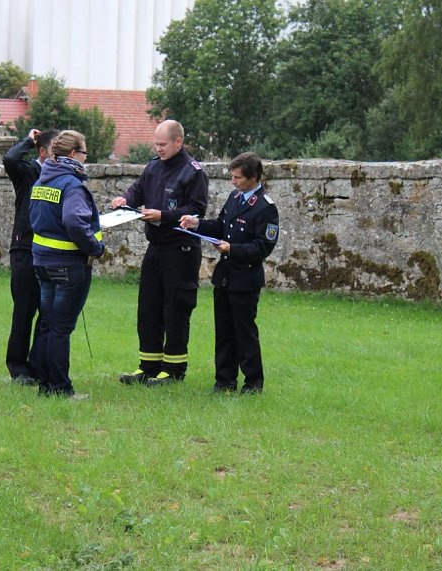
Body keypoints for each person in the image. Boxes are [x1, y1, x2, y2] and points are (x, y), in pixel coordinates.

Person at [111, 120, 208, 386]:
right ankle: (148, 366)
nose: (159, 148)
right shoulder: (153, 166)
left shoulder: (193, 172)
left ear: (179, 142)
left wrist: (164, 215)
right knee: (149, 308)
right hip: (156, 248)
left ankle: (174, 370)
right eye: (156, 144)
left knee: (175, 308)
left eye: (163, 144)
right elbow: (137, 190)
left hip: (181, 249)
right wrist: (125, 200)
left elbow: (197, 210)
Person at [179, 152, 279, 394]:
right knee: (223, 331)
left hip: (245, 279)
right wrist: (197, 224)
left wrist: (232, 248)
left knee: (244, 333)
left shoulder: (265, 208)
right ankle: (225, 380)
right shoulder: (235, 197)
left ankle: (253, 383)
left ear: (253, 178)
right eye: (232, 177)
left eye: (238, 178)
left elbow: (262, 246)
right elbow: (220, 225)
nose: (233, 182)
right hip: (225, 276)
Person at [29, 130, 105, 398]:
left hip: (42, 261)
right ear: (73, 155)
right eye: (84, 153)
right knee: (61, 328)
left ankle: (45, 384)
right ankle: (61, 388)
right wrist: (95, 248)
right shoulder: (72, 186)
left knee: (49, 324)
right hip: (68, 266)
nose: (85, 158)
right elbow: (74, 222)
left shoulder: (42, 181)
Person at [3, 128, 59, 385]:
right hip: (24, 250)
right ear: (43, 152)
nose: (59, 158)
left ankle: (38, 365)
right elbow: (10, 159)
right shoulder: (28, 173)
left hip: (51, 252)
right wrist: (28, 139)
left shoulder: (62, 178)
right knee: (24, 310)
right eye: (55, 152)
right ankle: (19, 368)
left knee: (48, 312)